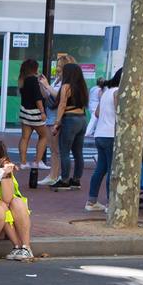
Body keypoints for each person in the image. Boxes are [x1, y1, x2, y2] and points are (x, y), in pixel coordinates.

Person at [48, 62, 90, 190]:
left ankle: (65, 180)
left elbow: (62, 105)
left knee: (65, 151)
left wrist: (57, 123)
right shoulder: (83, 86)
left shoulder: (66, 86)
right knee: (78, 152)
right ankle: (76, 179)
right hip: (82, 119)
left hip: (69, 119)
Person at [85, 69, 121, 212]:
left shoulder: (106, 92)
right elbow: (121, 111)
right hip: (111, 134)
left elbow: (97, 113)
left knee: (100, 168)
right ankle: (109, 202)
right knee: (112, 170)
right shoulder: (118, 92)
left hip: (100, 134)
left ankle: (91, 201)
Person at [16, 59, 50, 170]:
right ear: (34, 68)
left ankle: (23, 162)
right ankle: (37, 161)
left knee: (25, 138)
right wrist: (42, 112)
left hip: (24, 112)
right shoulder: (34, 81)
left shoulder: (22, 80)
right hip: (35, 113)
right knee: (44, 136)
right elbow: (38, 98)